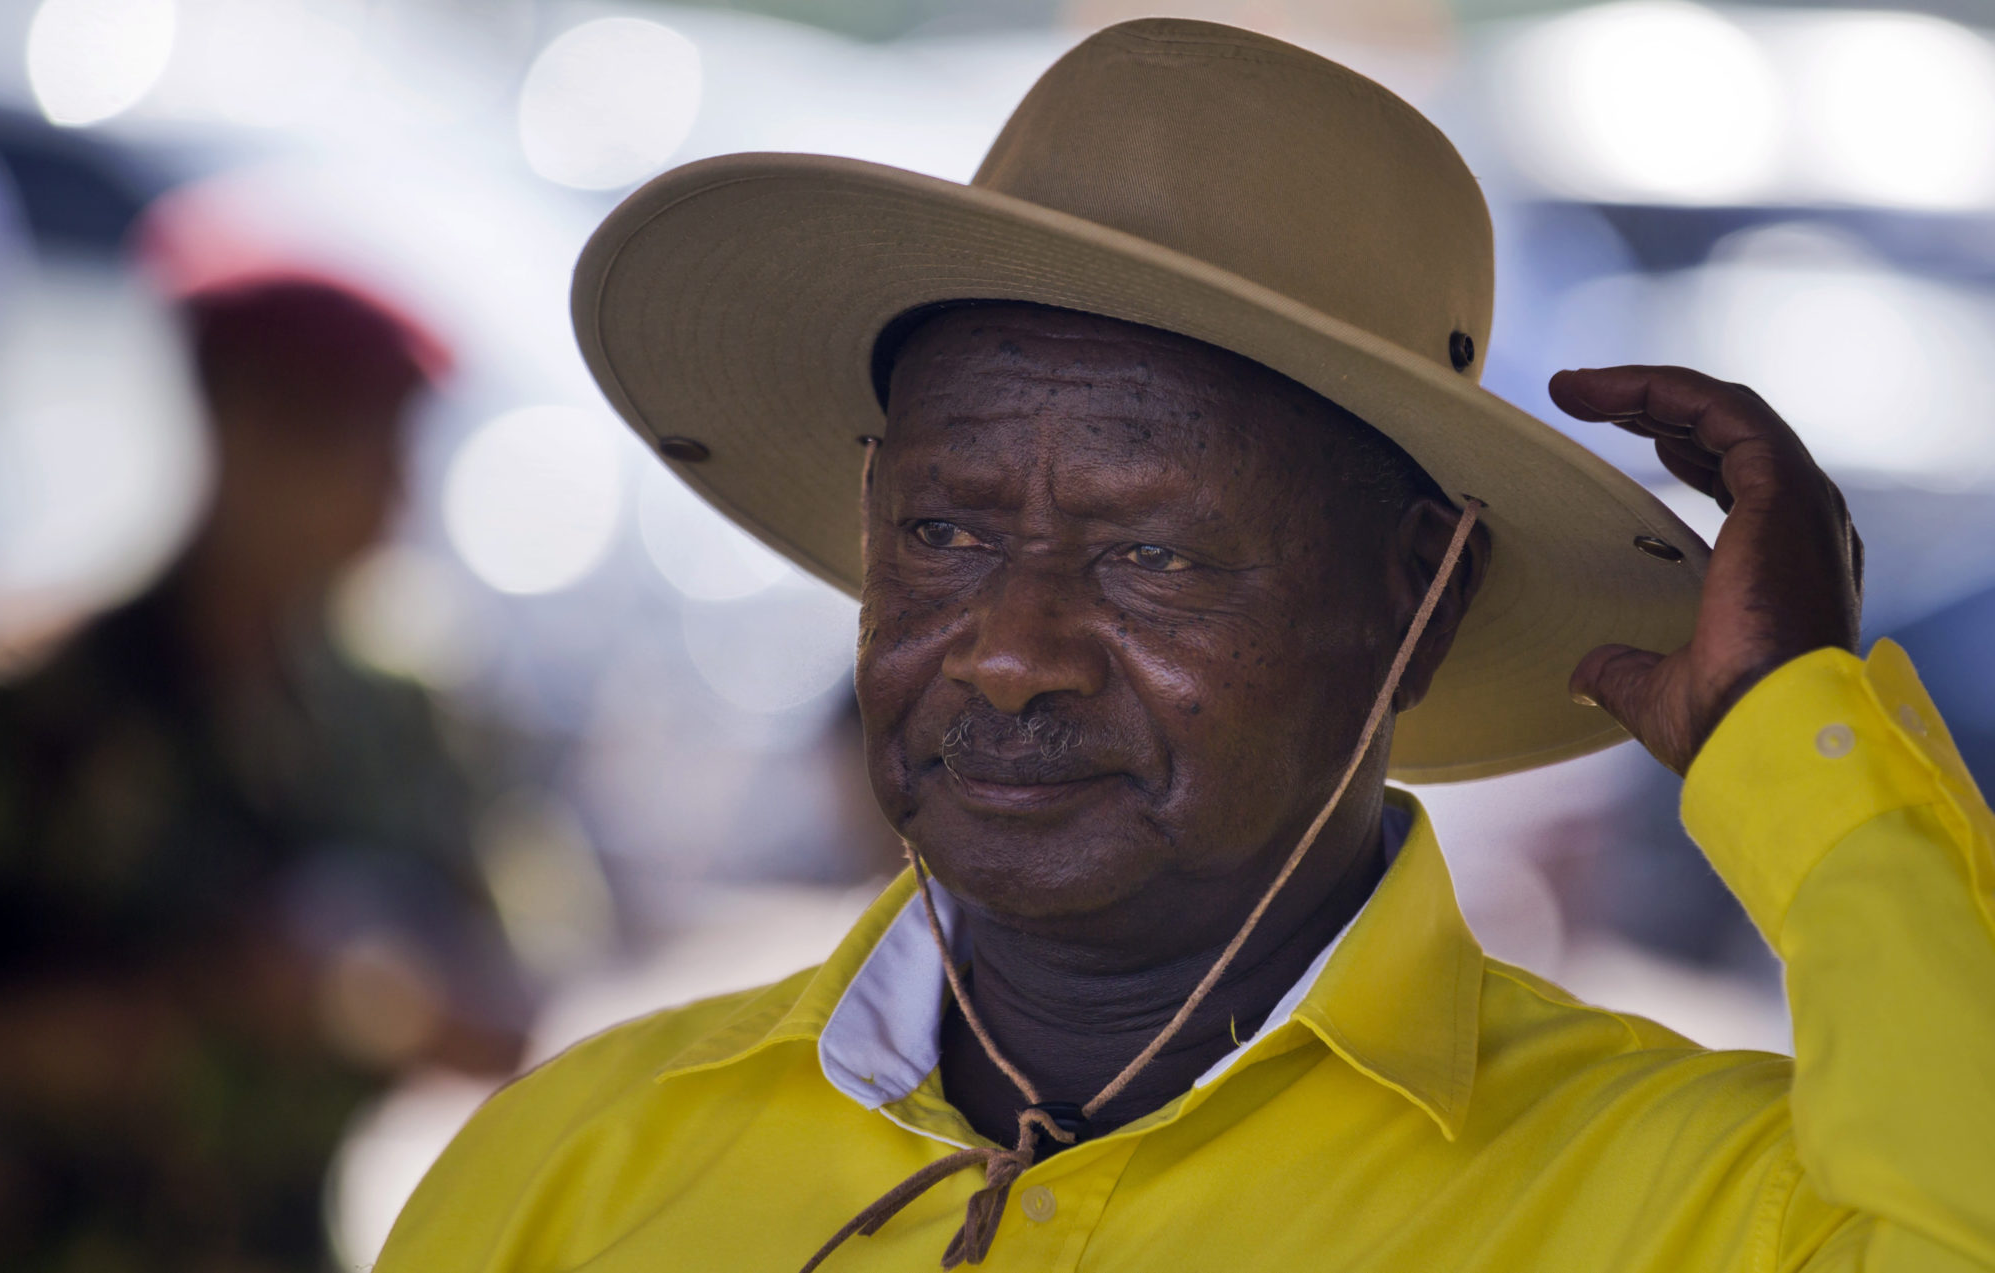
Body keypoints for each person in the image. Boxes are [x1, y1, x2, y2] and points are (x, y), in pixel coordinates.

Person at [378, 19, 1992, 1272]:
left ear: (1417, 597)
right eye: (943, 534)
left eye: (1151, 555)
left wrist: (1798, 741)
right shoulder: (574, 1166)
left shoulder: (1685, 1201)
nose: (1008, 654)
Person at [0, 275, 529, 1271]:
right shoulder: (25, 714)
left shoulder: (404, 724)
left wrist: (368, 990)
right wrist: (136, 1025)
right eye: (352, 442)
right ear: (237, 427)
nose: (392, 497)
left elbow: (518, 1023)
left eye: (400, 450)